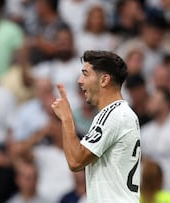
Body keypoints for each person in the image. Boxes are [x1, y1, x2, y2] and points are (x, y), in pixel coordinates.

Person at [51, 50, 141, 202]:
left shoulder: (113, 114)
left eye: (85, 74)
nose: (80, 81)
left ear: (104, 80)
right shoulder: (121, 113)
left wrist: (66, 118)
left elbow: (76, 161)